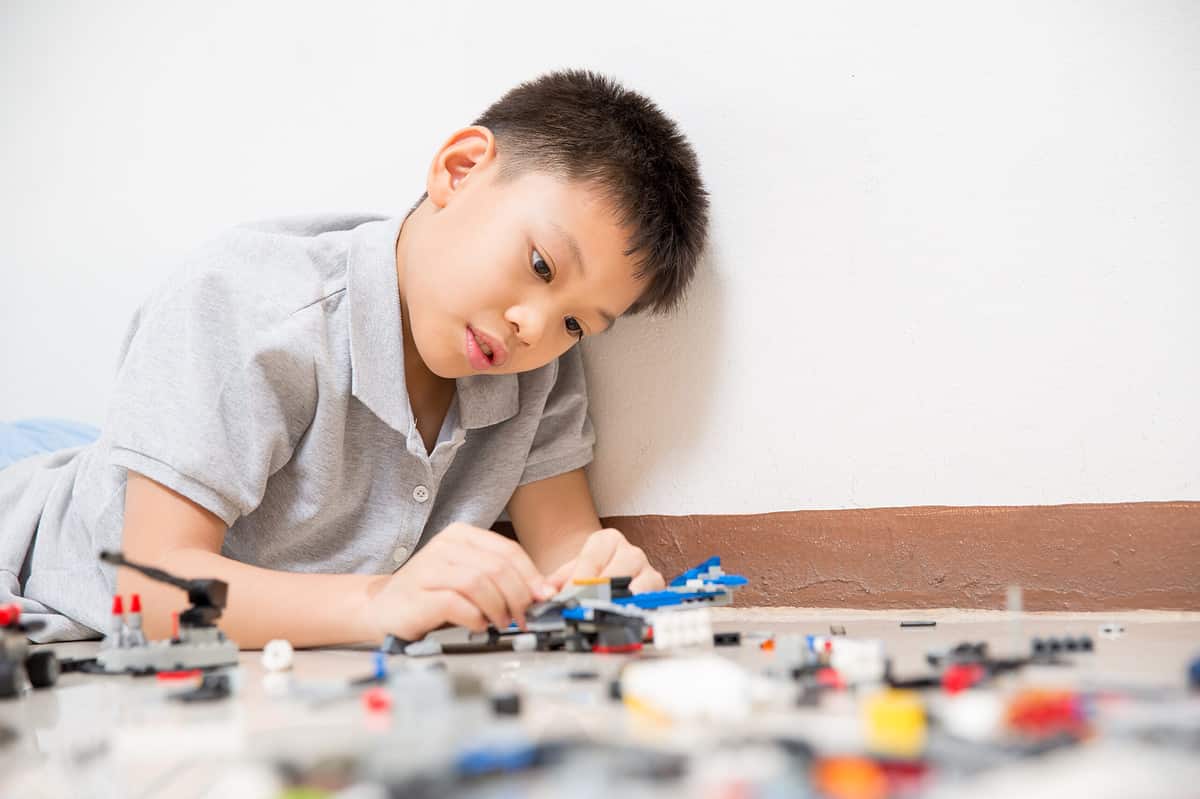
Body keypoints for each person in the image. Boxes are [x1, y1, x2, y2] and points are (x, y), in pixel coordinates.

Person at [0, 70, 710, 647]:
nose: (535, 325)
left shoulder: (537, 368)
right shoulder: (249, 303)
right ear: (459, 170)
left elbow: (567, 552)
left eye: (579, 324)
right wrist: (376, 601)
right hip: (30, 530)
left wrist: (610, 585)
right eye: (540, 263)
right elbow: (147, 585)